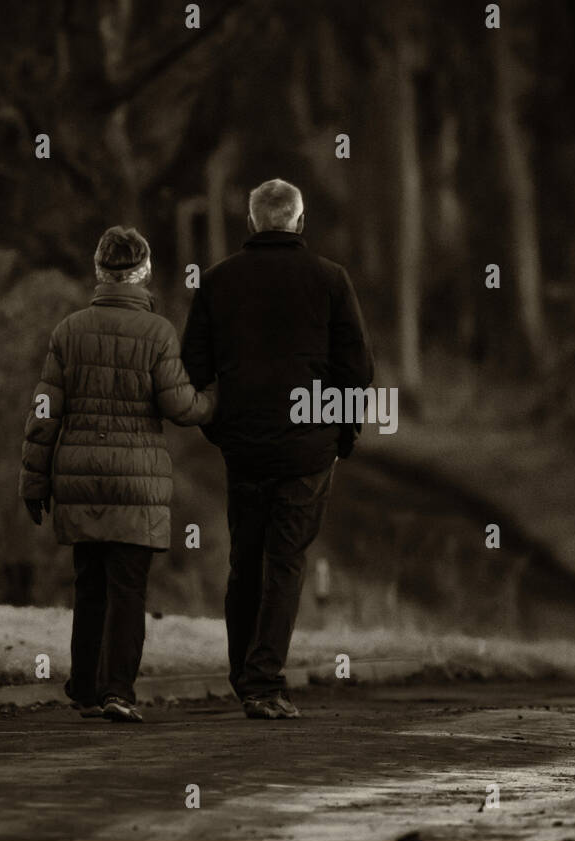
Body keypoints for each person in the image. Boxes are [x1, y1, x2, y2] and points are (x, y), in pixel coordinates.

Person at [182, 178, 374, 719]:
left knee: (245, 560)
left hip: (243, 445)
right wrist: (342, 435)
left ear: (251, 221)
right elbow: (357, 370)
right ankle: (263, 680)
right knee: (285, 560)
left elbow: (193, 369)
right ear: (299, 221)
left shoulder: (218, 282)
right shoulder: (331, 280)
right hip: (307, 446)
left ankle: (246, 676)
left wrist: (218, 429)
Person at [19, 226, 216, 723]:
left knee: (89, 584)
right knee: (128, 588)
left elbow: (45, 411)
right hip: (137, 480)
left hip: (80, 477)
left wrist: (33, 479)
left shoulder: (68, 331)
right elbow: (178, 406)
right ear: (144, 272)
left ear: (99, 272)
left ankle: (84, 687)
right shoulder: (158, 334)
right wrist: (213, 401)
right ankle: (119, 692)